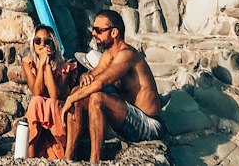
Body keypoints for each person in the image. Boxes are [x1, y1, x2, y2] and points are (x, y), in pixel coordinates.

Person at [61, 10, 164, 163]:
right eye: (93, 29)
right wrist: (84, 77)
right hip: (127, 115)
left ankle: (94, 161)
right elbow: (93, 77)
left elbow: (100, 83)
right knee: (78, 93)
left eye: (99, 30)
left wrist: (69, 99)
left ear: (114, 32)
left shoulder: (127, 54)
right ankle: (68, 158)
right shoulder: (108, 55)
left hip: (148, 124)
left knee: (97, 98)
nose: (94, 34)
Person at [21, 24, 76, 159]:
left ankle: (64, 153)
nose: (42, 45)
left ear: (53, 44)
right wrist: (41, 66)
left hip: (58, 108)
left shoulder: (65, 67)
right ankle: (30, 153)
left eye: (47, 41)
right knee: (36, 101)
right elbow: (37, 92)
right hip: (40, 109)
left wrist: (47, 65)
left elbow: (54, 94)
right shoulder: (29, 63)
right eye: (38, 41)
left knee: (51, 102)